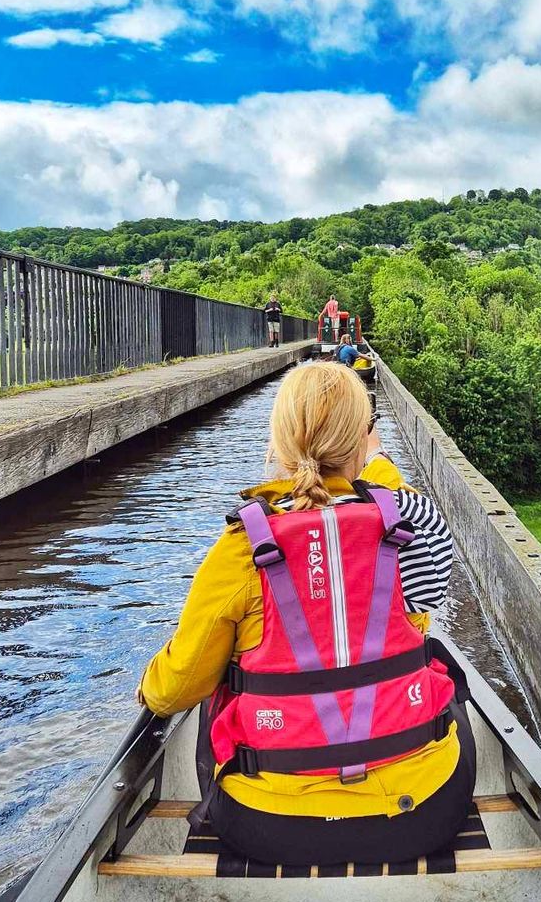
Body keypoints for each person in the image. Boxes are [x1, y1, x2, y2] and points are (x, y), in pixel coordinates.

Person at [138, 361, 476, 866]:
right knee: (446, 681)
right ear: (363, 443)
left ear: (278, 444)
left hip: (267, 827)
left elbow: (178, 690)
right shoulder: (413, 531)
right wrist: (367, 454)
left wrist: (149, 687)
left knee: (217, 686)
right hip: (420, 817)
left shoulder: (239, 550)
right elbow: (394, 499)